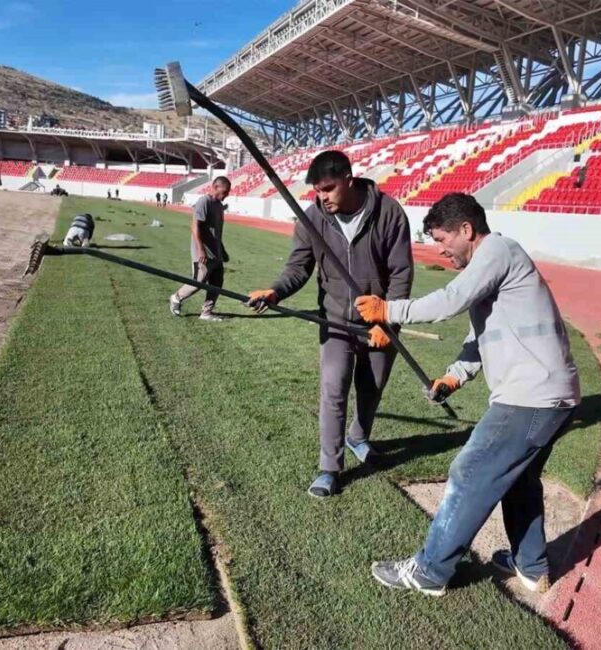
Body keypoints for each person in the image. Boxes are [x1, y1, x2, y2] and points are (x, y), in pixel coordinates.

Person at [355, 193, 579, 596]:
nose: (440, 250)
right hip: (550, 395)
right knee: (519, 481)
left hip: (530, 396)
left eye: (443, 240)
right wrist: (455, 376)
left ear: (466, 230)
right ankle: (532, 566)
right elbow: (481, 334)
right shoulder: (496, 264)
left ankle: (429, 571)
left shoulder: (497, 250)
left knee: (469, 472)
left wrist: (390, 311)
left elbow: (450, 301)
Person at [244, 150, 413, 498]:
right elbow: (298, 268)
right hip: (335, 320)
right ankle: (329, 468)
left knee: (372, 387)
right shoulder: (313, 219)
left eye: (328, 189)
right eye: (317, 191)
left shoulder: (389, 213)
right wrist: (275, 292)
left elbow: (401, 273)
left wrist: (388, 320)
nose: (322, 197)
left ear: (349, 180)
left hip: (379, 323)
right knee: (334, 389)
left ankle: (358, 436)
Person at [169, 177, 232, 322]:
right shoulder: (205, 202)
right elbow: (195, 226)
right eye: (225, 192)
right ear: (215, 187)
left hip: (216, 254)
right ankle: (177, 297)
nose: (226, 195)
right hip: (203, 253)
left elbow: (216, 232)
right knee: (199, 282)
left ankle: (207, 312)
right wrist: (201, 250)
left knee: (217, 284)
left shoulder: (218, 206)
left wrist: (223, 251)